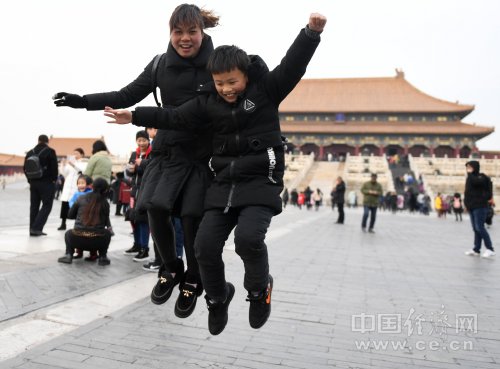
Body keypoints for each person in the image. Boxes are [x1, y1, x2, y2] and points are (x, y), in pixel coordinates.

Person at [105, 12, 326, 335]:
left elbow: (293, 66)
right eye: (219, 83)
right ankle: (218, 298)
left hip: (259, 183)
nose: (226, 89)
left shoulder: (266, 92)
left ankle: (258, 290)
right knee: (203, 248)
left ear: (246, 76)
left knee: (247, 240)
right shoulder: (210, 102)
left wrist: (311, 33)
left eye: (232, 82)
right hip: (222, 184)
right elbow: (175, 117)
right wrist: (134, 115)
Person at [53, 4, 220, 319]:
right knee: (152, 207)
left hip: (200, 152)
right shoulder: (160, 65)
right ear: (170, 33)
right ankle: (172, 268)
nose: (185, 39)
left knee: (190, 217)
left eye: (191, 32)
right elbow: (125, 94)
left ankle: (194, 279)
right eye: (177, 32)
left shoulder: (217, 63)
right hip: (168, 147)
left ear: (202, 31)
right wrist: (82, 101)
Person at [58, 178, 112, 266]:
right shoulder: (105, 203)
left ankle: (68, 254)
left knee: (68, 233)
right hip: (96, 242)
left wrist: (81, 215)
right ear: (105, 189)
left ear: (92, 186)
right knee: (107, 234)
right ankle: (103, 257)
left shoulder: (81, 198)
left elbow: (70, 215)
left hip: (76, 239)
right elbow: (106, 223)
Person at [125, 130, 152, 262]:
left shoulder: (151, 153)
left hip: (145, 190)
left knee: (143, 220)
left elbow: (151, 170)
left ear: (148, 141)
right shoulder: (134, 153)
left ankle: (144, 248)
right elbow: (130, 173)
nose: (141, 143)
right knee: (133, 218)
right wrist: (130, 170)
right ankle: (136, 245)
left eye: (143, 140)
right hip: (134, 191)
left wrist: (139, 166)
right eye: (139, 140)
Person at [24, 134, 58, 236]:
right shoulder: (50, 151)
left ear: (38, 141)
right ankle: (36, 228)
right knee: (47, 205)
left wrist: (30, 180)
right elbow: (54, 168)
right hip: (46, 183)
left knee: (34, 206)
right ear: (47, 141)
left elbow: (24, 168)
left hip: (33, 183)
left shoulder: (30, 152)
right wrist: (53, 180)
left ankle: (32, 229)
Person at [463, 161, 495, 258]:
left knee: (480, 227)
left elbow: (476, 182)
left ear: (475, 167)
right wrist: (466, 205)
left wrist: (470, 174)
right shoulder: (470, 177)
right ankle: (476, 249)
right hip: (472, 206)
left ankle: (490, 249)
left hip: (480, 206)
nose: (468, 169)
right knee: (475, 229)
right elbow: (467, 192)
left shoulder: (482, 177)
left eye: (469, 167)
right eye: (467, 167)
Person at [58, 148, 87, 231]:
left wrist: (73, 165)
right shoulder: (70, 163)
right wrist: (62, 165)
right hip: (68, 185)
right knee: (64, 205)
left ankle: (77, 224)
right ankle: (63, 223)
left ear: (82, 154)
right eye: (74, 153)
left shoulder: (84, 163)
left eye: (77, 153)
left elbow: (82, 172)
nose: (75, 155)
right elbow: (64, 173)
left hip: (76, 185)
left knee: (76, 205)